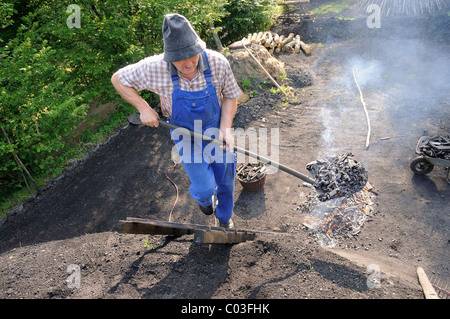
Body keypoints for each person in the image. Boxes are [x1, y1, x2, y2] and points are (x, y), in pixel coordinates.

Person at [111, 13, 241, 228]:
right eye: (180, 59)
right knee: (205, 185)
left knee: (226, 180)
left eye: (192, 56)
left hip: (215, 129)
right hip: (183, 133)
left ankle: (225, 220)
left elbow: (231, 96)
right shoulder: (154, 68)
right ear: (168, 56)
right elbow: (118, 79)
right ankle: (203, 199)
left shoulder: (217, 63)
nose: (188, 63)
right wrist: (144, 108)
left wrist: (226, 129)